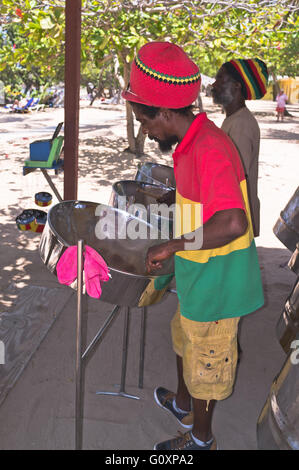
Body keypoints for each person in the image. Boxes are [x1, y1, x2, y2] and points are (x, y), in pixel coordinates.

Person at [122, 41, 264, 451]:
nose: (146, 131)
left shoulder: (210, 146)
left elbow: (234, 222)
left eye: (144, 121)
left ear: (165, 112)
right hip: (198, 271)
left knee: (207, 362)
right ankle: (184, 403)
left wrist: (172, 246)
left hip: (219, 282)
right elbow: (203, 200)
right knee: (183, 338)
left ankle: (202, 438)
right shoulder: (191, 141)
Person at [211, 58, 269, 238]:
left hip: (235, 218)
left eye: (221, 78)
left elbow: (235, 178)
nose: (214, 84)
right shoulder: (233, 119)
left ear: (237, 86)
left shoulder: (241, 124)